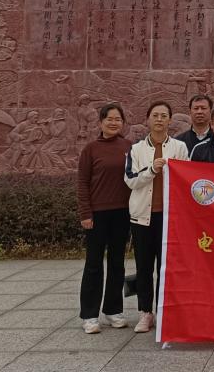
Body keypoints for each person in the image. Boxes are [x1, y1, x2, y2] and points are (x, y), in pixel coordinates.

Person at [124, 101, 189, 333]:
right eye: (155, 115)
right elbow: (130, 180)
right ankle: (145, 312)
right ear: (148, 119)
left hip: (170, 217)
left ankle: (164, 311)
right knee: (144, 266)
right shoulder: (136, 149)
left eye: (164, 115)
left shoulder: (180, 147)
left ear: (170, 120)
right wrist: (151, 169)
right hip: (143, 217)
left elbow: (187, 178)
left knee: (166, 267)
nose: (159, 119)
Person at [76, 102, 132, 334]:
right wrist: (85, 213)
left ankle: (113, 310)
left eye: (118, 119)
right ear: (100, 122)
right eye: (109, 119)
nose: (113, 123)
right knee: (94, 264)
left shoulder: (129, 147)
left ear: (123, 123)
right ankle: (89, 315)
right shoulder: (91, 149)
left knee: (117, 263)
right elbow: (82, 183)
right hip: (97, 214)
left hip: (123, 213)